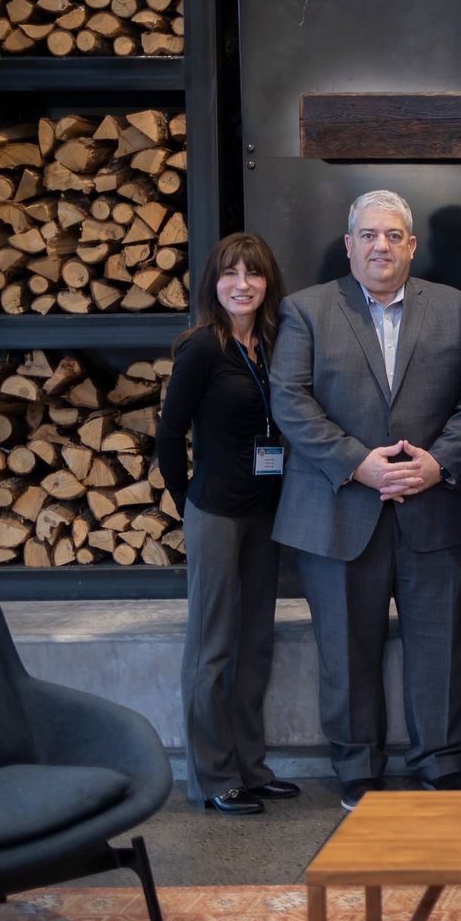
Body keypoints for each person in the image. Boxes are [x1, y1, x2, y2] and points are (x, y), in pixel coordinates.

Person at [269, 190, 461, 812]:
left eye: (393, 236)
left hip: (434, 504)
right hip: (338, 509)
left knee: (440, 647)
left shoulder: (456, 309)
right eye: (368, 235)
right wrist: (356, 464)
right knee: (344, 647)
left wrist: (438, 461)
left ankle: (441, 765)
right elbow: (291, 400)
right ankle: (358, 768)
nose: (380, 247)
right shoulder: (306, 310)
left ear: (411, 246)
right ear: (349, 244)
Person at [155, 232, 298, 816]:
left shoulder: (273, 344)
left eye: (254, 274)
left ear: (268, 284)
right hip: (216, 515)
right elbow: (169, 437)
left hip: (265, 515)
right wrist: (192, 503)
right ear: (214, 283)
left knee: (255, 645)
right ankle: (213, 777)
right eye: (230, 274)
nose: (243, 285)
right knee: (212, 648)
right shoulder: (201, 348)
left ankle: (251, 768)